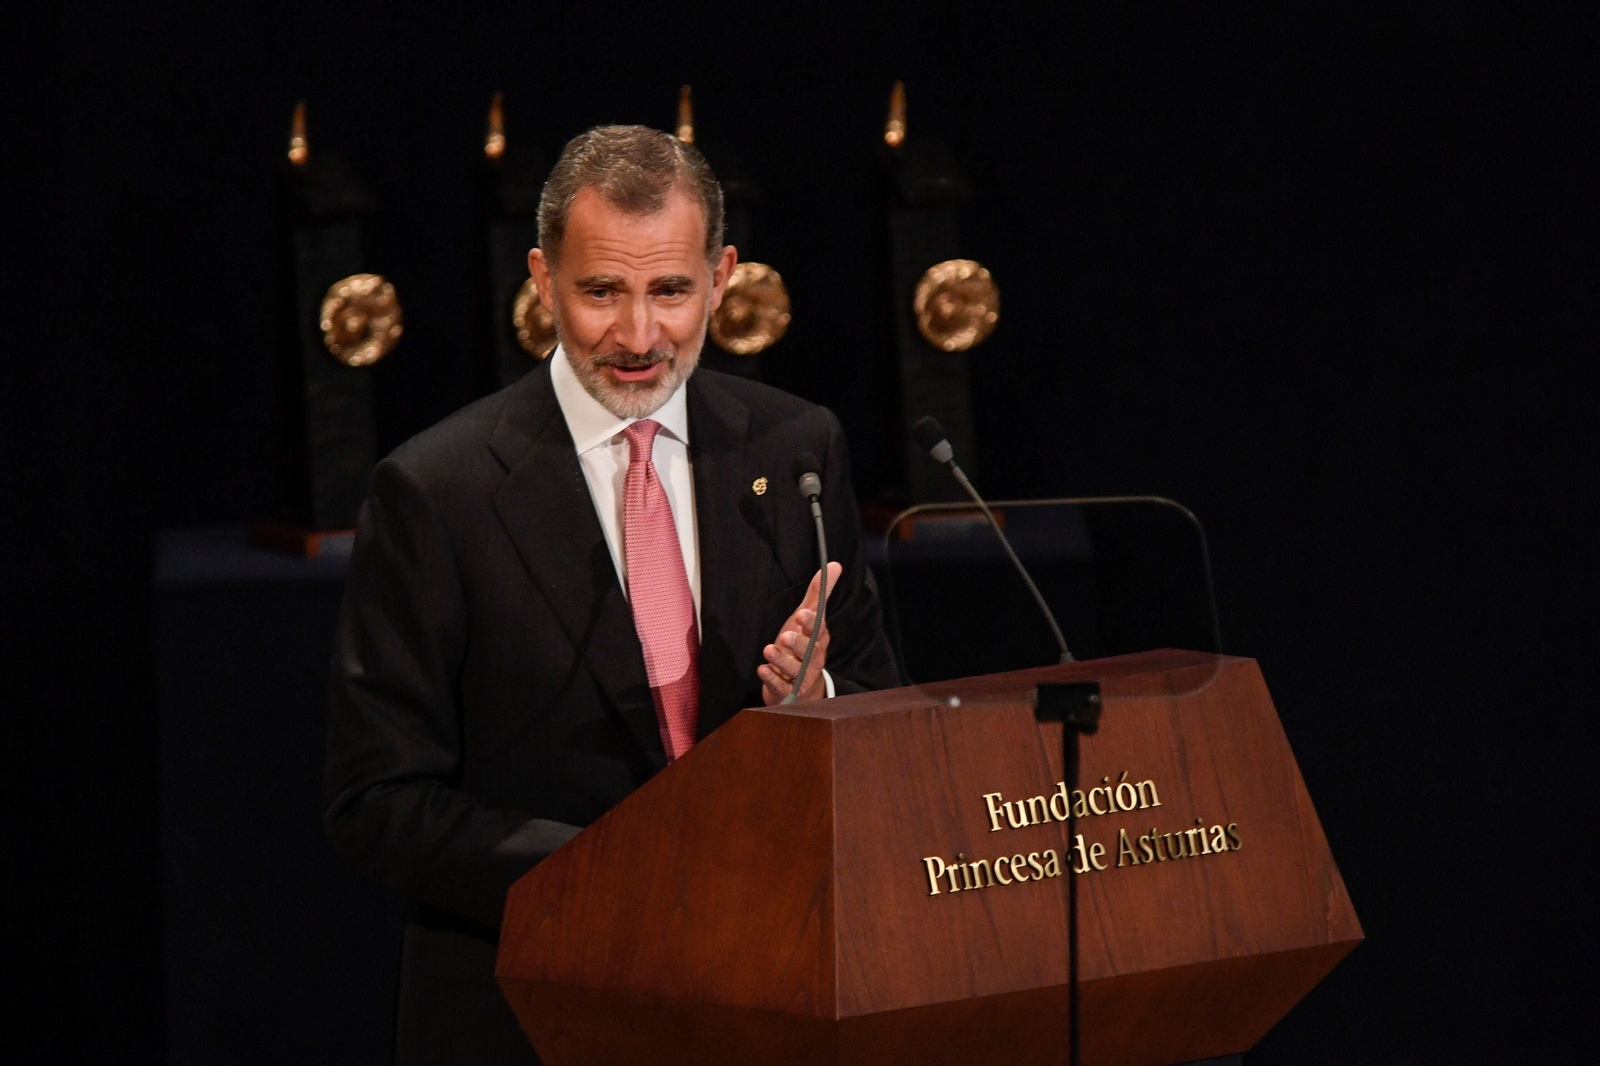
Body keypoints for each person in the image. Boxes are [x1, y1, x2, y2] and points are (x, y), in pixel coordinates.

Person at [323, 125, 900, 1065]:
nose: (639, 337)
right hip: (531, 1011)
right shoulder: (439, 492)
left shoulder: (796, 451)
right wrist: (619, 876)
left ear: (722, 278)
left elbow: (881, 706)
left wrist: (818, 708)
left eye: (670, 290)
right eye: (601, 292)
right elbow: (376, 799)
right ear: (543, 280)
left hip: (763, 998)